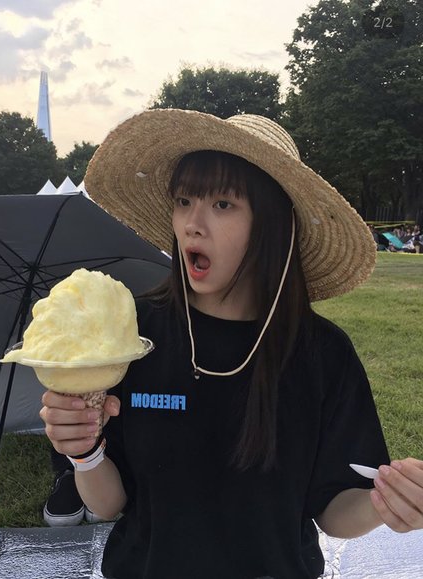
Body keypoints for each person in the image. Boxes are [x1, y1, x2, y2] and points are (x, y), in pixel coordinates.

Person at [39, 110, 423, 579]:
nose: (191, 224)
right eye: (183, 201)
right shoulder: (130, 333)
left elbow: (334, 511)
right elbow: (108, 503)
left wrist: (388, 503)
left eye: (223, 204)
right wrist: (84, 449)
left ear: (273, 225)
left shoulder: (323, 353)